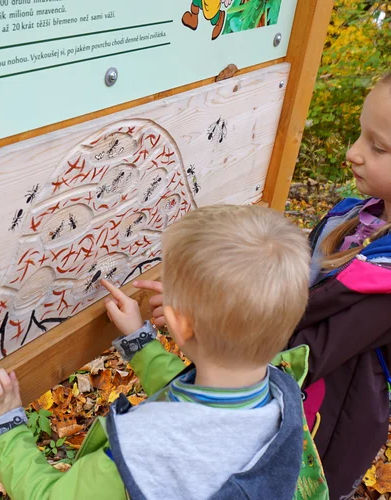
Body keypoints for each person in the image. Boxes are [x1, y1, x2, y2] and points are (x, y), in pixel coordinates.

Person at [137, 73, 391, 499]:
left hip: (321, 433)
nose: (353, 153)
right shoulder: (352, 218)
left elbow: (304, 351)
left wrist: (203, 316)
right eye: (359, 136)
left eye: (377, 147)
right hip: (265, 405)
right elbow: (285, 297)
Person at [0, 204, 311, 500]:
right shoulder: (280, 396)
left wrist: (5, 428)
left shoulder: (138, 454)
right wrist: (141, 342)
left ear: (178, 322)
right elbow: (195, 399)